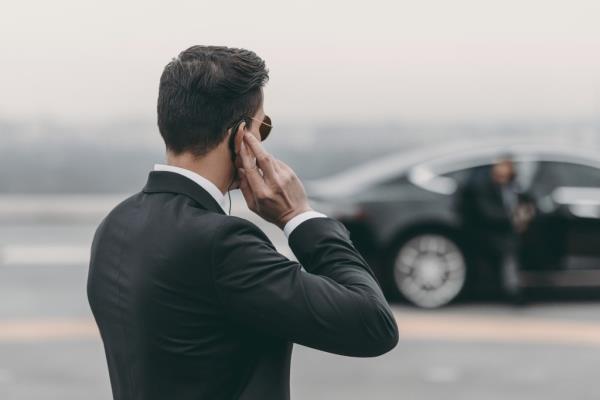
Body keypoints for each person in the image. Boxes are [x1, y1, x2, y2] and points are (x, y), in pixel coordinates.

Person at [86, 45, 398, 400]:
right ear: (240, 136)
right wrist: (299, 216)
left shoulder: (115, 225)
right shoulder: (221, 244)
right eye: (262, 127)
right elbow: (373, 325)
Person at [455, 154, 533, 302]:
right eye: (501, 166)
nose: (504, 170)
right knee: (509, 248)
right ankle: (512, 290)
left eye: (507, 167)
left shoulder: (514, 187)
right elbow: (488, 213)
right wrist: (514, 219)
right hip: (488, 232)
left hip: (508, 230)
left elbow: (528, 203)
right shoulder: (483, 186)